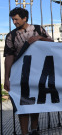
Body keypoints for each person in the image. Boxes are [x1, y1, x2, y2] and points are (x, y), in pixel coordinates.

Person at [4, 7, 53, 135]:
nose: (14, 22)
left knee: (35, 102)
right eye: (13, 20)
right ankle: (24, 132)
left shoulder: (38, 29)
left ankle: (34, 129)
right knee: (22, 104)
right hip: (20, 74)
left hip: (38, 72)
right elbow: (9, 58)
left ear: (25, 18)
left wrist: (39, 38)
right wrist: (6, 78)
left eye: (16, 19)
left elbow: (52, 42)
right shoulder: (11, 36)